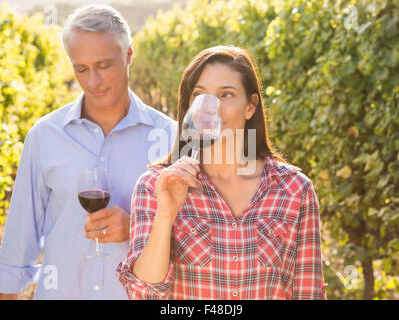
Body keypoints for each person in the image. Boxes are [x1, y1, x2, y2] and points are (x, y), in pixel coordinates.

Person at [0, 5, 176, 299]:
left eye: (103, 65)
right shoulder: (45, 135)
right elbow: (18, 243)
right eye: (81, 69)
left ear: (128, 55)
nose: (93, 82)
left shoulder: (172, 137)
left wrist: (138, 227)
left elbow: (197, 238)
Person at [116, 45, 327, 300]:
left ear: (250, 107)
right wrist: (166, 214)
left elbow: (309, 293)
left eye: (226, 95)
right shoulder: (156, 185)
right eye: (199, 95)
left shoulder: (294, 190)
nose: (211, 107)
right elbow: (143, 293)